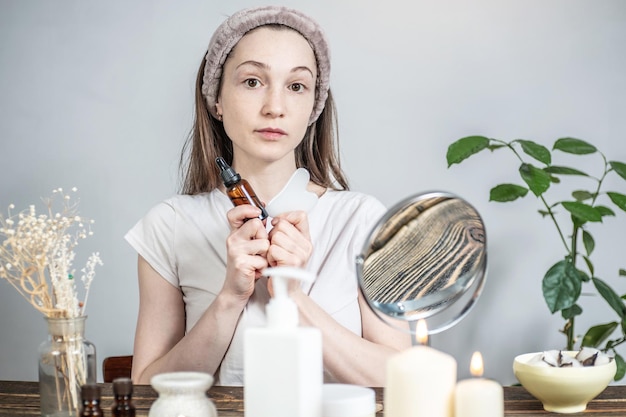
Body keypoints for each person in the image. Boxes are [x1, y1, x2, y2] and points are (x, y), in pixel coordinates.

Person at [125, 5, 410, 387]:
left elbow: (405, 379)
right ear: (217, 101)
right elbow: (145, 391)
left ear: (313, 106)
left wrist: (293, 298)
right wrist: (229, 297)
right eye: (253, 82)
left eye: (296, 86)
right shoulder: (169, 227)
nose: (274, 107)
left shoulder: (363, 221)